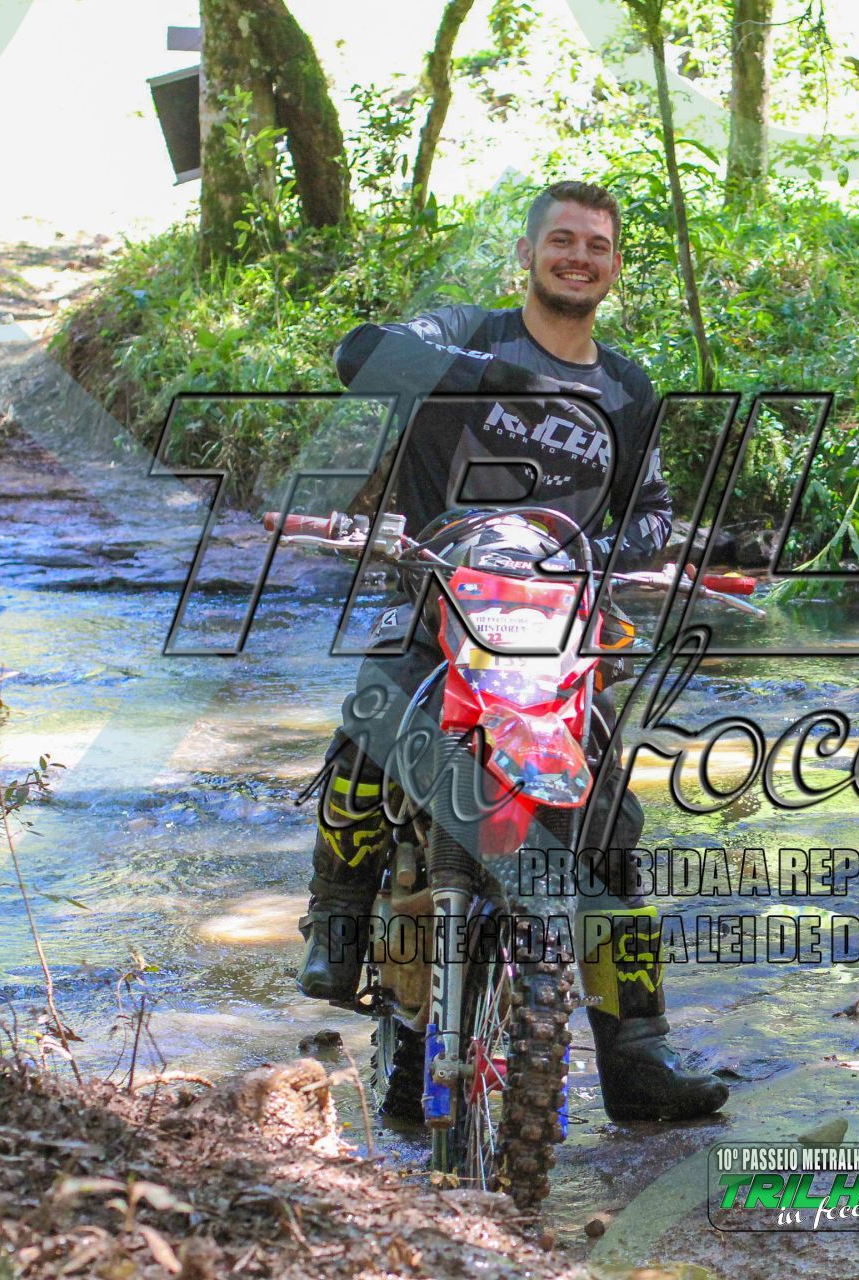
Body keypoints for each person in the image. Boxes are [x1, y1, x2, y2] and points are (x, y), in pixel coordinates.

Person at [297, 179, 728, 1124]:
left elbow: (653, 511)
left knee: (610, 830)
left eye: (598, 246)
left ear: (615, 267)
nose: (580, 258)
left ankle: (638, 1056)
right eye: (562, 240)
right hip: (439, 604)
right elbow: (358, 354)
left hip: (556, 631)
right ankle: (336, 928)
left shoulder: (629, 388)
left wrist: (609, 552)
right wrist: (503, 381)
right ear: (528, 255)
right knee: (367, 731)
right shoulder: (467, 331)